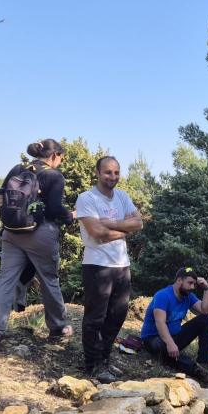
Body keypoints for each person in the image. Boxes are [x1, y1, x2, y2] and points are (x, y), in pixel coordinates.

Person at [0, 139, 75, 349]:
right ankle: (57, 328)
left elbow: (0, 196)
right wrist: (70, 216)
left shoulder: (17, 168)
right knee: (49, 279)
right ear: (55, 155)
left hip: (12, 232)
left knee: (5, 278)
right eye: (61, 158)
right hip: (40, 232)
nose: (60, 162)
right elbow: (54, 208)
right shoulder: (54, 175)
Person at [75, 156, 143, 383]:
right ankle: (92, 364)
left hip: (122, 265)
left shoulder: (122, 196)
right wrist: (126, 228)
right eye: (107, 172)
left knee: (117, 316)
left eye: (116, 172)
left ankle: (104, 358)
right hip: (97, 265)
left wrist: (109, 223)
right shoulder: (87, 198)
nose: (112, 177)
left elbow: (139, 223)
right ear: (97, 173)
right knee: (95, 318)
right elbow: (96, 232)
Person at [140, 267, 208, 386]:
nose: (192, 287)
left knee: (206, 319)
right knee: (163, 346)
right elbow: (160, 322)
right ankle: (196, 370)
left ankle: (204, 364)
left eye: (194, 284)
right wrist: (170, 344)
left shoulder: (188, 296)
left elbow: (205, 310)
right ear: (179, 281)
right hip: (154, 339)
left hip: (174, 336)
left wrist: (207, 289)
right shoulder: (163, 295)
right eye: (190, 283)